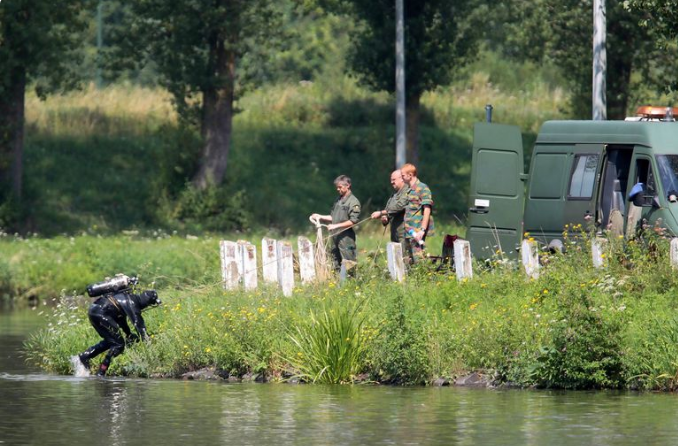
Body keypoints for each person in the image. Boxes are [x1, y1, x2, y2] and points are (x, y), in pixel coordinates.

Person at [74, 289, 161, 376]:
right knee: (118, 345)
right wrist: (148, 341)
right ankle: (101, 372)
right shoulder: (133, 304)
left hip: (94, 311)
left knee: (112, 341)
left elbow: (122, 321)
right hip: (100, 313)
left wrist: (128, 334)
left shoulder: (129, 298)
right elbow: (139, 325)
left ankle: (84, 356)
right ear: (147, 303)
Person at [310, 175, 361, 272]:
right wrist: (320, 216)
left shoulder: (354, 202)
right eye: (337, 187)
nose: (338, 189)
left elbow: (353, 221)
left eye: (340, 187)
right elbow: (333, 217)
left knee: (349, 263)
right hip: (335, 236)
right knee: (335, 262)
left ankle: (352, 283)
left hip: (346, 238)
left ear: (348, 185)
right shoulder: (338, 200)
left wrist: (336, 225)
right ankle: (338, 284)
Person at [401, 163, 434, 262]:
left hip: (417, 229)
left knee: (419, 259)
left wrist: (422, 230)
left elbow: (427, 210)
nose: (401, 178)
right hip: (408, 229)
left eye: (403, 176)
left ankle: (423, 276)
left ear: (410, 175)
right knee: (408, 259)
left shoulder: (423, 188)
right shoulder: (408, 190)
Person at [371, 169, 409, 252]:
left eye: (394, 180)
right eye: (391, 180)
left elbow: (399, 206)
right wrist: (385, 219)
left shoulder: (407, 191)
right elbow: (388, 212)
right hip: (395, 234)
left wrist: (381, 213)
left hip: (405, 233)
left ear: (401, 178)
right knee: (395, 259)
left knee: (404, 259)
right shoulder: (393, 196)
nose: (391, 182)